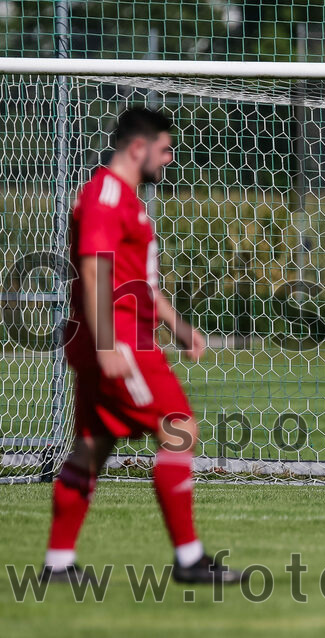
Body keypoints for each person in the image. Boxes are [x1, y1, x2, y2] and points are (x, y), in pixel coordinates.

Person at [42, 108, 247, 584]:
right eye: (165, 148)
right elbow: (95, 268)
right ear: (139, 148)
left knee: (91, 448)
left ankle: (56, 564)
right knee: (181, 429)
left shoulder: (126, 199)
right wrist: (109, 343)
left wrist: (180, 329)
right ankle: (190, 559)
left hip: (119, 338)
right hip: (122, 342)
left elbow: (142, 283)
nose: (170, 158)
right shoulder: (106, 195)